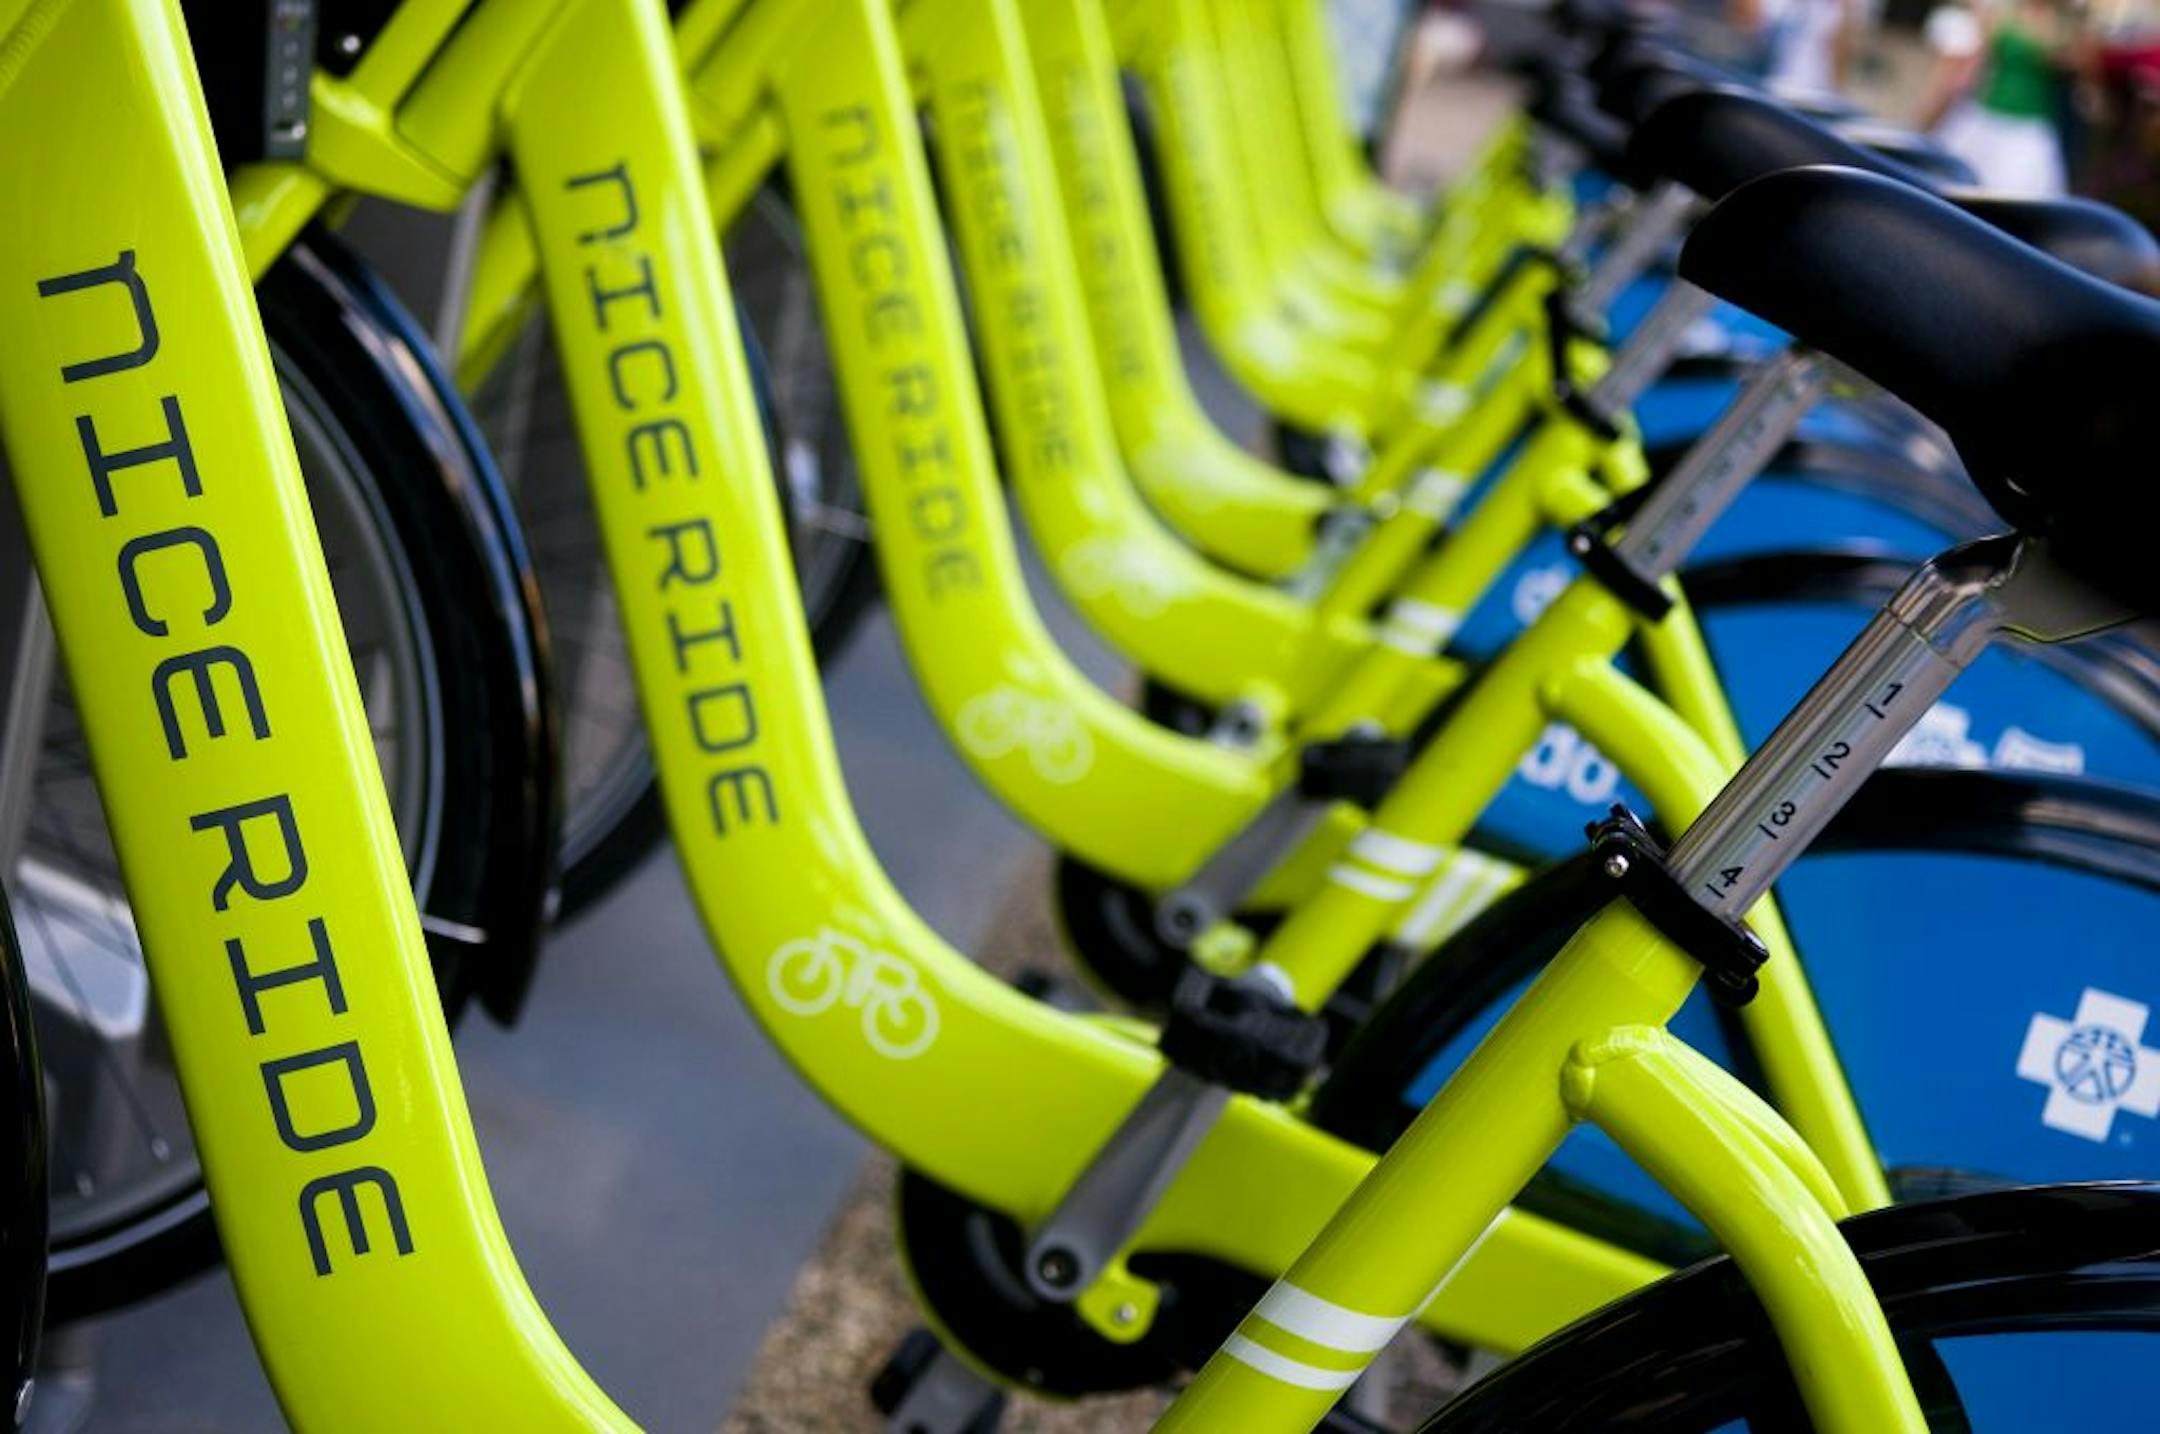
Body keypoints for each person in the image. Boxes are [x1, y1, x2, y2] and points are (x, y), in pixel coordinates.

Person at [1921, 0, 2085, 195]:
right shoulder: (2004, 13)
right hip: (1986, 114)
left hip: (2029, 125)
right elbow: (1974, 66)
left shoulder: (2066, 25)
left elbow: (2072, 65)